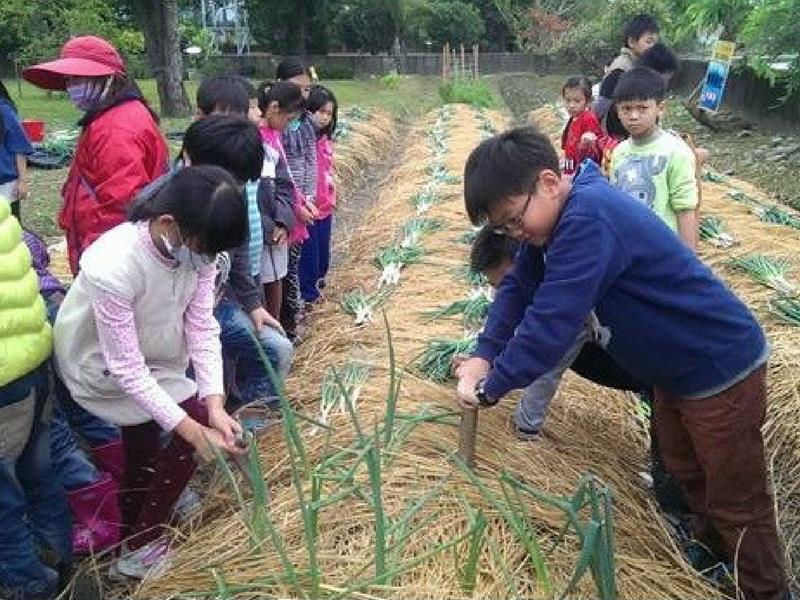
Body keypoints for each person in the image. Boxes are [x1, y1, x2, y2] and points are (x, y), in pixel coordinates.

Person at [455, 126, 788, 600]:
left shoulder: (589, 219)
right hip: (674, 371)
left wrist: (493, 386)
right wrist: (484, 354)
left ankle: (765, 590)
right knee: (686, 468)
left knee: (737, 497)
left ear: (549, 182)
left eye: (512, 219)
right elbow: (516, 289)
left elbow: (551, 320)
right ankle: (716, 558)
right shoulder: (553, 221)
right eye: (503, 229)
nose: (515, 234)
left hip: (718, 367)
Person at [53, 166, 248, 579]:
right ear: (166, 224)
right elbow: (125, 367)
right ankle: (141, 545)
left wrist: (216, 404)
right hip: (101, 366)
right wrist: (198, 431)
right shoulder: (115, 263)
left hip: (155, 358)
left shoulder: (199, 251)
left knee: (148, 444)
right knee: (184, 428)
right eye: (203, 249)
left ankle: (133, 534)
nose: (206, 261)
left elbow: (200, 325)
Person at [23, 35, 169, 275]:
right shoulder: (114, 116)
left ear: (108, 79)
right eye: (69, 79)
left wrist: (96, 265)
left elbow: (119, 207)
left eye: (78, 78)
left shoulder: (116, 127)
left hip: (108, 260)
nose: (71, 87)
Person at [190, 90, 295, 415]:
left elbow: (236, 260)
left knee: (276, 348)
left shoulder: (231, 197)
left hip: (217, 305)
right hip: (173, 319)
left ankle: (252, 426)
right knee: (196, 385)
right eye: (235, 182)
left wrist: (253, 306)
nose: (238, 189)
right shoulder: (169, 210)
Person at [23, 229, 122, 555]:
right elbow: (37, 247)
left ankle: (100, 520)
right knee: (86, 405)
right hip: (54, 306)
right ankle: (124, 484)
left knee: (55, 428)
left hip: (27, 329)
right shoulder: (13, 225)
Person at [0, 198, 72, 600]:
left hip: (3, 380)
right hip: (33, 361)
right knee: (39, 473)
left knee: (3, 500)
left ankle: (28, 584)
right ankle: (59, 559)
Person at [609, 67, 699, 250]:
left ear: (660, 109)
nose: (633, 116)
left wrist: (689, 265)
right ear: (617, 111)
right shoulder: (618, 153)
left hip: (664, 253)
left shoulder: (675, 152)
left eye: (642, 108)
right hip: (630, 252)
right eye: (626, 109)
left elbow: (686, 209)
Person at [276, 57, 319, 339]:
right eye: (297, 88)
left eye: (306, 89)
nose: (302, 95)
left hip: (304, 204)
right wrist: (296, 204)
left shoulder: (305, 123)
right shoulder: (278, 126)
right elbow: (283, 169)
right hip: (287, 207)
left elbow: (310, 159)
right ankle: (287, 323)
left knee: (293, 263)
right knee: (284, 270)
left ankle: (292, 316)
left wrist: (311, 196)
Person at [257, 81, 304, 320]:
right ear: (274, 108)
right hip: (260, 236)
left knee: (277, 284)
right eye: (289, 118)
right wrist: (269, 226)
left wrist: (283, 221)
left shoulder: (274, 139)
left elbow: (285, 185)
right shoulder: (256, 142)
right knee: (261, 295)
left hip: (277, 232)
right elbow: (258, 195)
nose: (288, 125)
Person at [300, 84, 339, 302]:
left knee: (323, 256)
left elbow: (327, 170)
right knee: (309, 259)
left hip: (325, 207)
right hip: (309, 208)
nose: (324, 117)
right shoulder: (303, 139)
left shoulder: (325, 140)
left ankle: (316, 288)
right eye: (320, 111)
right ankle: (307, 297)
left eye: (329, 113)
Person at [593, 14, 660, 125]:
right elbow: (601, 107)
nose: (653, 47)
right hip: (615, 131)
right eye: (649, 41)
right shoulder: (621, 68)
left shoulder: (638, 64)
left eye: (654, 43)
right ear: (632, 42)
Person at [0, 81, 34, 222]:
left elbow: (19, 147)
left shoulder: (4, 110)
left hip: (5, 184)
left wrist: (23, 181)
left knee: (9, 227)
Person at [559, 76, 603, 175]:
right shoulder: (573, 118)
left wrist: (586, 144)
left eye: (577, 101)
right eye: (568, 100)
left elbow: (594, 151)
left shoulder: (588, 119)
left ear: (588, 101)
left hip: (582, 170)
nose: (571, 105)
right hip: (570, 165)